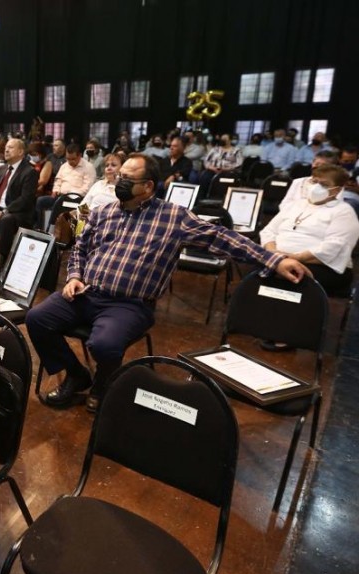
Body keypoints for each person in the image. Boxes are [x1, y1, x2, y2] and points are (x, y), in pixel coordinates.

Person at [25, 154, 311, 412]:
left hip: (129, 304)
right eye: (118, 176)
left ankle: (103, 384)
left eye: (127, 178)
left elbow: (222, 238)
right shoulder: (103, 212)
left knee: (104, 343)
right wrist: (74, 276)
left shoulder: (174, 217)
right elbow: (80, 249)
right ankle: (76, 374)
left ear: (148, 186)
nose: (118, 181)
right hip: (87, 292)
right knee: (37, 318)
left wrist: (273, 260)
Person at [261, 164, 359, 296]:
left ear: (336, 190)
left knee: (287, 275)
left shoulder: (343, 211)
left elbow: (335, 246)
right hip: (280, 258)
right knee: (257, 270)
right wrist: (274, 252)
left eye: (324, 184)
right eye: (314, 181)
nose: (316, 187)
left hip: (323, 266)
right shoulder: (296, 204)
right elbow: (269, 231)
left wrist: (294, 257)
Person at [0, 138, 38, 260]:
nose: (6, 150)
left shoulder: (29, 171)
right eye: (6, 147)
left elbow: (25, 200)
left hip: (17, 212)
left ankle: (3, 256)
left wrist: (4, 211)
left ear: (21, 152)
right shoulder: (0, 169)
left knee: (7, 219)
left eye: (10, 147)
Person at [34, 144, 96, 228]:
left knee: (83, 212)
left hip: (80, 199)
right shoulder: (64, 166)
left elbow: (87, 188)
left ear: (79, 156)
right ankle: (41, 229)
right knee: (41, 200)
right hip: (60, 196)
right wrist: (55, 190)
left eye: (73, 159)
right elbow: (58, 180)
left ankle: (78, 236)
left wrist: (69, 194)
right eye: (68, 159)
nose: (70, 162)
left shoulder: (89, 167)